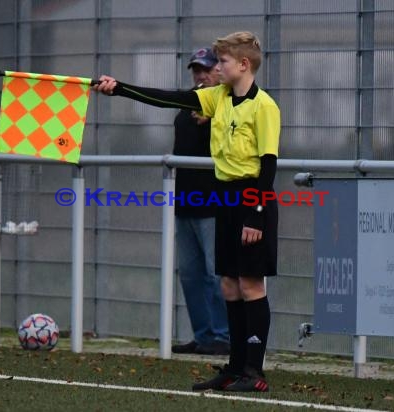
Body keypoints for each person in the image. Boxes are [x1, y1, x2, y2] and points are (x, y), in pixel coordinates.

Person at [95, 31, 280, 393]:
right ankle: (234, 366)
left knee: (250, 283)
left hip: (251, 198)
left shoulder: (265, 107)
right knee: (228, 283)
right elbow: (169, 98)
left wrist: (256, 213)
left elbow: (268, 164)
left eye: (223, 62)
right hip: (223, 196)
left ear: (243, 65)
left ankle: (254, 372)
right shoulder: (217, 97)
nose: (217, 67)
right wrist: (120, 88)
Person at [171, 48, 230, 356]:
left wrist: (214, 119)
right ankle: (204, 335)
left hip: (215, 202)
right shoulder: (187, 101)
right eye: (196, 70)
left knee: (218, 273)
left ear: (220, 70)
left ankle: (224, 336)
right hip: (185, 201)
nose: (200, 75)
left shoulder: (229, 102)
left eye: (206, 69)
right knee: (191, 273)